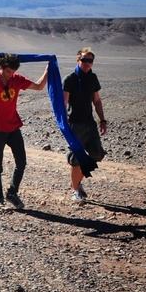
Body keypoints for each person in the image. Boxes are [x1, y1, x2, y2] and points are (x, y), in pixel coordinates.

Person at [0, 53, 48, 209]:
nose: (10, 74)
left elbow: (39, 87)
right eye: (8, 71)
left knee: (21, 162)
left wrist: (48, 69)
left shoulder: (17, 79)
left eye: (13, 71)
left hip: (13, 127)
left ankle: (12, 193)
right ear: (1, 67)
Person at [62, 47, 107, 203]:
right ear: (78, 60)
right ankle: (76, 191)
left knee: (97, 154)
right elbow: (63, 103)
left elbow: (97, 100)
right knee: (76, 159)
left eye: (90, 61)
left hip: (90, 123)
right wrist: (64, 123)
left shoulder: (93, 78)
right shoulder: (70, 79)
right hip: (75, 124)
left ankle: (76, 182)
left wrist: (102, 120)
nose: (87, 63)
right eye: (84, 60)